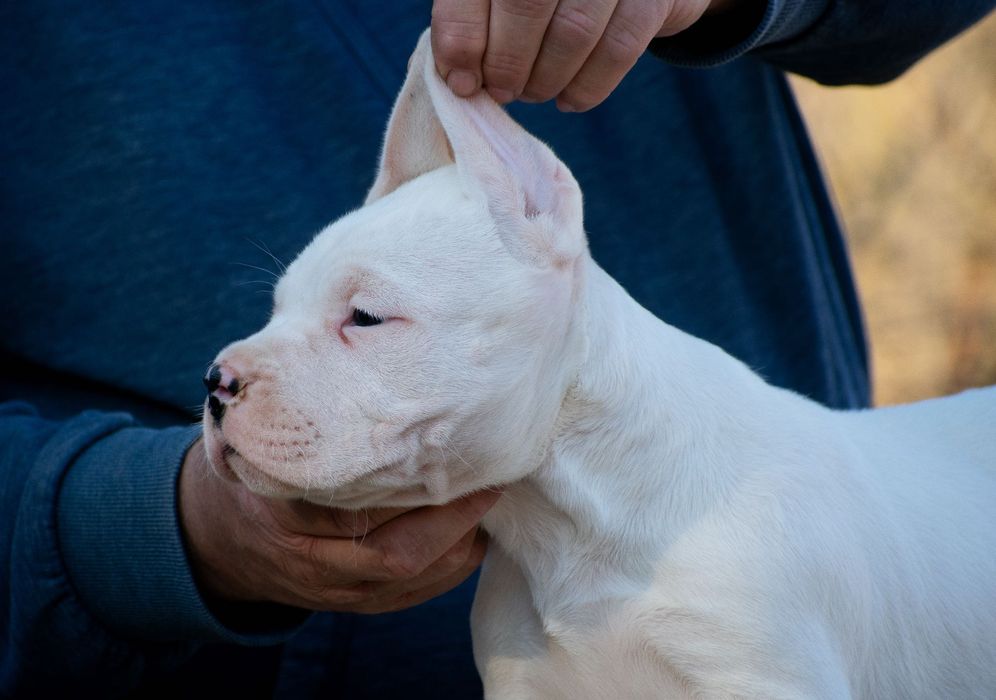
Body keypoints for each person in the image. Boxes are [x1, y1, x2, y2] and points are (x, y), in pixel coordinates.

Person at [2, 0, 992, 696]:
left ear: (542, 212)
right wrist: (132, 523)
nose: (225, 376)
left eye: (363, 322)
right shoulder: (514, 607)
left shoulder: (742, 557)